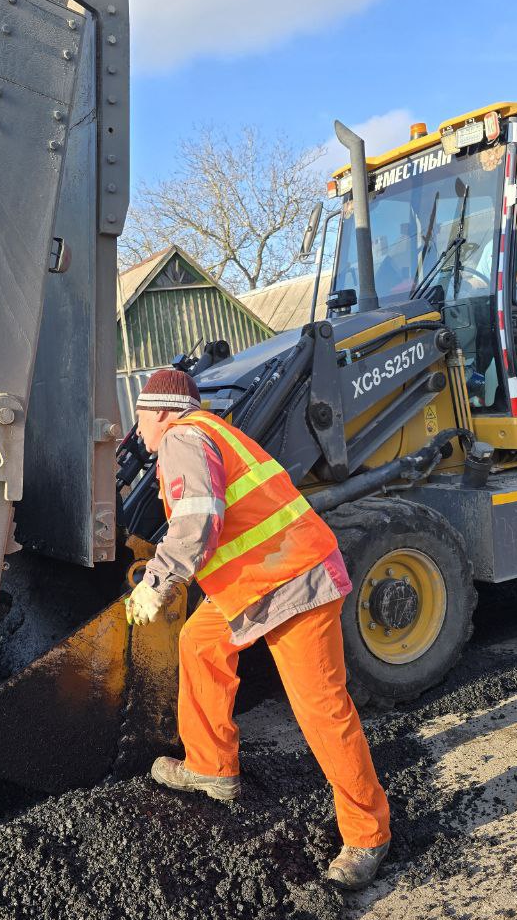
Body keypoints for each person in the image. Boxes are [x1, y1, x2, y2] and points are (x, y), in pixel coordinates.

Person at [126, 367, 392, 890]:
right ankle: (210, 766)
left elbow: (198, 518)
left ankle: (367, 834)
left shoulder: (183, 437)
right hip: (259, 582)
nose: (137, 433)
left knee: (321, 708)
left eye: (138, 418)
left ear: (158, 411)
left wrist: (157, 581)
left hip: (294, 582)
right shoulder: (210, 430)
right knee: (199, 643)